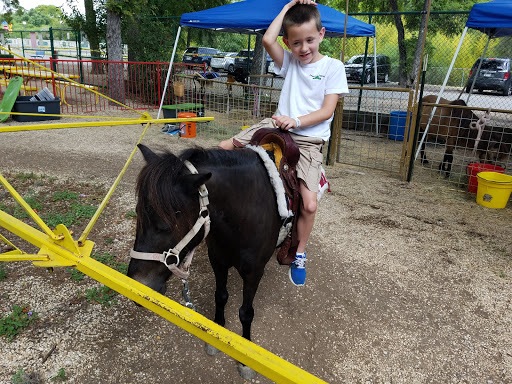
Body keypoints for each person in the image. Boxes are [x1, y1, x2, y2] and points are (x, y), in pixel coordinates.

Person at [219, 0, 349, 286]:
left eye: (310, 40)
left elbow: (327, 111)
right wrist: (289, 5)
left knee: (310, 204)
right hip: (277, 125)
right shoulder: (289, 62)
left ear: (322, 34)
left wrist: (297, 120)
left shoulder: (333, 67)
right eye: (296, 43)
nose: (304, 48)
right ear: (288, 43)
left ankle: (299, 252)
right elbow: (267, 38)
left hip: (307, 140)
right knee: (223, 147)